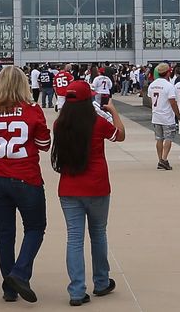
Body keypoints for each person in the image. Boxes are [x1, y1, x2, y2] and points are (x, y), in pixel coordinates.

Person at [0, 65, 51, 304]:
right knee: (35, 227)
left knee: (4, 233)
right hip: (26, 177)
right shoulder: (32, 109)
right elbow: (44, 143)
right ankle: (19, 273)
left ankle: (9, 287)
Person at [52, 80, 125, 305]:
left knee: (74, 238)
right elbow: (120, 135)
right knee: (98, 234)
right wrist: (112, 110)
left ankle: (76, 290)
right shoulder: (98, 123)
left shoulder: (59, 124)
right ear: (87, 100)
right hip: (97, 185)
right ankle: (101, 282)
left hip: (69, 187)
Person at [145, 62, 180, 170]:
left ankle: (160, 159)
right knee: (168, 138)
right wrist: (178, 116)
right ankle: (164, 159)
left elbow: (151, 99)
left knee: (159, 139)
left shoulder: (152, 85)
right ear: (168, 72)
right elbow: (172, 102)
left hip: (156, 115)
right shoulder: (169, 86)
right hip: (167, 116)